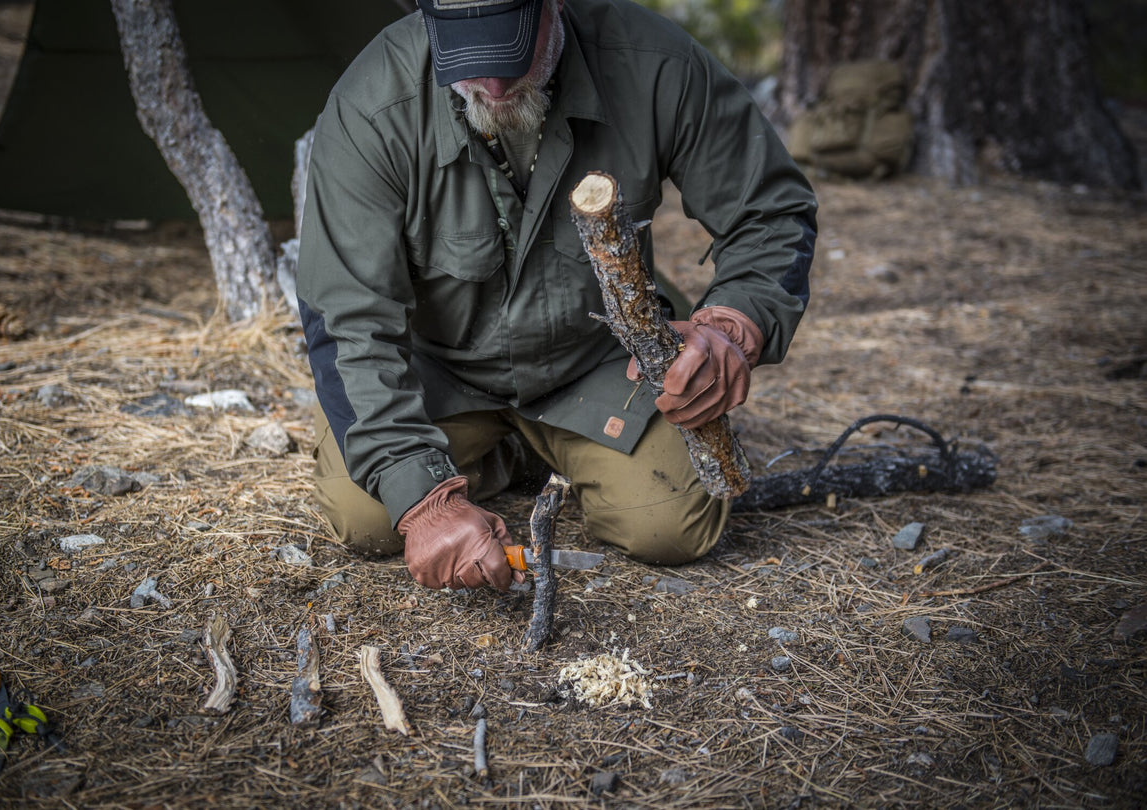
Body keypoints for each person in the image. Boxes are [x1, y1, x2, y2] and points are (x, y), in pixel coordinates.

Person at [296, 0, 816, 592]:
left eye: (510, 48)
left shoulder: (654, 62)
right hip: (438, 370)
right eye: (467, 52)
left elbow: (772, 212)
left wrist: (734, 325)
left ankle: (539, 447)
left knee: (668, 526)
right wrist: (423, 501)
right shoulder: (371, 103)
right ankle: (505, 452)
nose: (492, 82)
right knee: (367, 516)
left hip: (595, 361)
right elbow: (346, 320)